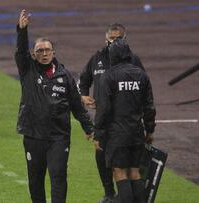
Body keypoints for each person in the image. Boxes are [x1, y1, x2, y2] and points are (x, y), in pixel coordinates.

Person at [15, 9, 94, 203]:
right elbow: (20, 51)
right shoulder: (27, 70)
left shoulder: (65, 75)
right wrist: (22, 31)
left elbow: (76, 104)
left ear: (53, 53)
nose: (43, 53)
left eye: (47, 50)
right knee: (35, 180)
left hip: (58, 137)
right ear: (34, 54)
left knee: (58, 176)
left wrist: (88, 128)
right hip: (33, 135)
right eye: (39, 51)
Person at [78, 23, 145, 203]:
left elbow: (143, 90)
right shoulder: (96, 58)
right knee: (101, 155)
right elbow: (83, 81)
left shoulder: (133, 60)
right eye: (111, 39)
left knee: (124, 169)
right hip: (105, 119)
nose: (114, 42)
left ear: (125, 39)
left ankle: (122, 197)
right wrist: (84, 96)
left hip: (123, 122)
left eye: (117, 39)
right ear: (105, 39)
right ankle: (109, 194)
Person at [94, 39, 156, 203]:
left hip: (117, 134)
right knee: (134, 172)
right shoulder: (141, 75)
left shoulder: (109, 76)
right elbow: (149, 106)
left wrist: (98, 134)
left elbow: (104, 109)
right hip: (136, 132)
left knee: (120, 172)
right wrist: (149, 130)